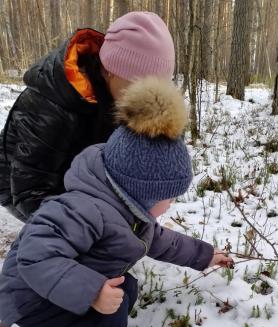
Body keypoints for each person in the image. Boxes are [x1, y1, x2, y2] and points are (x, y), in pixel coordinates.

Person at [0, 76, 233, 327]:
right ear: (139, 190)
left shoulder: (126, 207)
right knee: (107, 321)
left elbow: (160, 241)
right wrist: (92, 291)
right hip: (29, 296)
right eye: (167, 198)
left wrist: (205, 254)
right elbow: (37, 256)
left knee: (126, 290)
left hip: (56, 283)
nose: (170, 205)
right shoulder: (84, 208)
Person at [0, 11, 175, 222]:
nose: (146, 96)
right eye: (139, 85)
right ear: (110, 69)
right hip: (20, 184)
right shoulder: (51, 105)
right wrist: (88, 228)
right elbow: (30, 191)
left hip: (75, 172)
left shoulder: (122, 95)